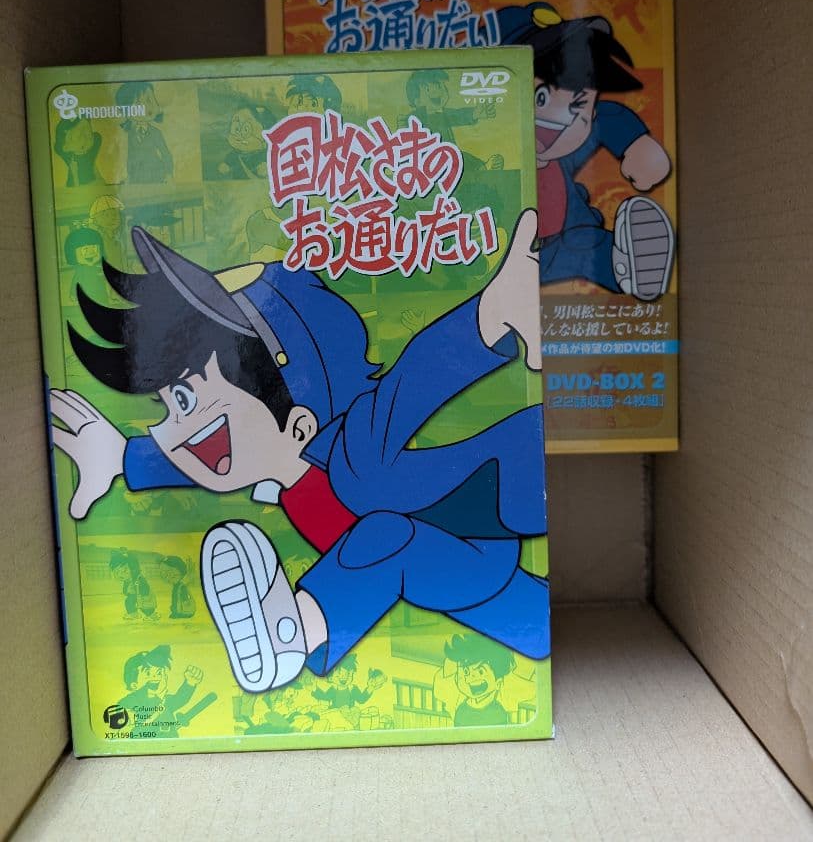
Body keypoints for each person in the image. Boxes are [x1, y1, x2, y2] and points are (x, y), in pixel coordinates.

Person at [50, 210, 547, 694]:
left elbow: (411, 383)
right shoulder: (272, 458)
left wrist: (490, 315)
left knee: (383, 533)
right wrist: (121, 457)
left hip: (480, 528)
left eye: (192, 399)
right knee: (532, 622)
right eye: (175, 402)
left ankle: (292, 634)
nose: (178, 428)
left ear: (299, 422)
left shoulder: (356, 453)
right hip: (450, 569)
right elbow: (206, 451)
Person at [497, 1, 675, 300]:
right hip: (502, 256)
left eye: (578, 105)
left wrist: (637, 146)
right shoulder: (485, 156)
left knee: (589, 246)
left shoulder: (567, 150)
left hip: (563, 242)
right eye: (540, 97)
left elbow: (608, 117)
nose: (561, 118)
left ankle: (626, 266)